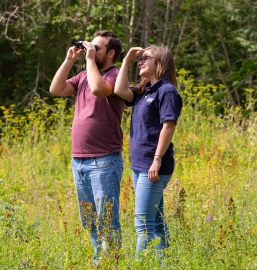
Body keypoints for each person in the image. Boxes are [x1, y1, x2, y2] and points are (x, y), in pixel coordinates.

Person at [49, 30, 125, 260]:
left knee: (106, 217)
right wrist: (70, 59)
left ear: (110, 53)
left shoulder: (115, 75)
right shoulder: (83, 75)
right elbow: (55, 89)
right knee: (89, 217)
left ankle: (111, 261)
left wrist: (90, 59)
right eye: (90, 46)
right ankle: (98, 259)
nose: (91, 49)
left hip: (104, 159)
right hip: (79, 159)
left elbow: (98, 89)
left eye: (97, 47)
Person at [113, 46, 183, 256]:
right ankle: (164, 263)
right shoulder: (145, 90)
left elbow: (168, 125)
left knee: (143, 225)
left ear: (160, 63)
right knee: (156, 222)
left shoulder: (167, 91)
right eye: (140, 59)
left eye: (146, 58)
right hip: (140, 165)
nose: (140, 62)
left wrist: (157, 159)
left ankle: (141, 264)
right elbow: (118, 90)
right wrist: (125, 60)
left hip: (153, 166)